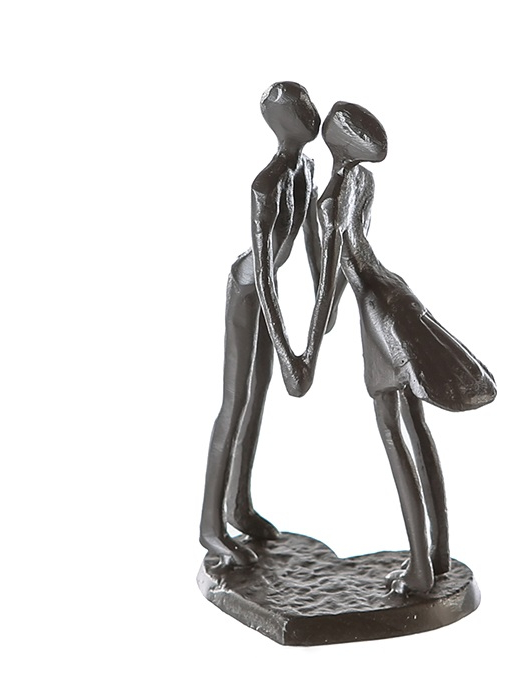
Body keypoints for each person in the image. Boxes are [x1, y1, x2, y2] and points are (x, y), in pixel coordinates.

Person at [318, 102, 497, 593]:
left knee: (391, 430)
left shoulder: (327, 201)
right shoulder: (363, 182)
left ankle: (420, 568)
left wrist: (315, 332)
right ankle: (437, 554)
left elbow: (333, 280)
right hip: (397, 292)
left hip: (376, 310)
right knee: (417, 428)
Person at [200, 82, 338, 567]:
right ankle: (210, 528)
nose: (312, 114)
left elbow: (314, 239)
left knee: (257, 398)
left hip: (266, 287)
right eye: (301, 110)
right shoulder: (266, 183)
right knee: (234, 402)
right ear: (283, 122)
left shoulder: (308, 168)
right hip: (247, 291)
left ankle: (239, 505)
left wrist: (325, 297)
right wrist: (284, 345)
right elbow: (261, 271)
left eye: (309, 106)